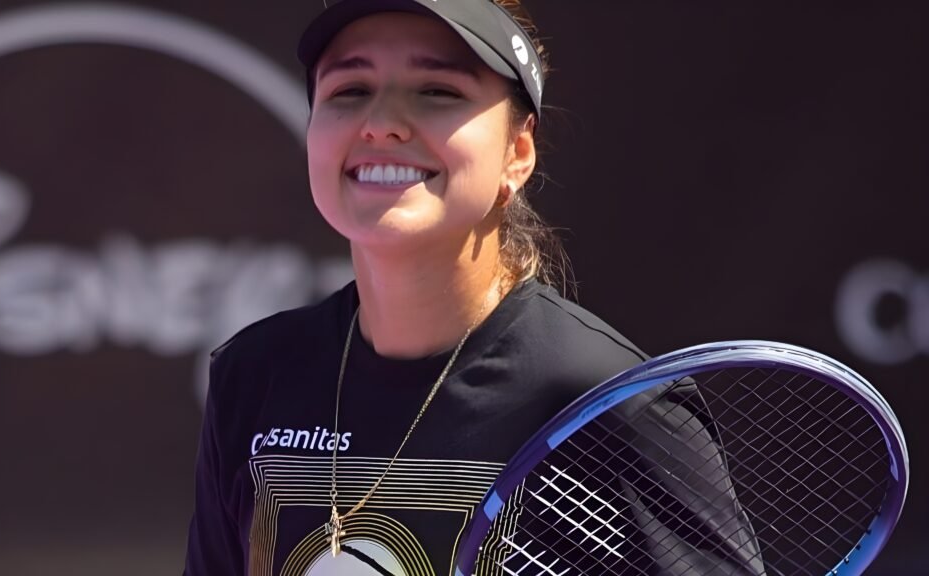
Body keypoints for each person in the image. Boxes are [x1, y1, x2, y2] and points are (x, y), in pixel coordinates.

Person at [184, 2, 763, 575]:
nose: (381, 121)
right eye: (349, 90)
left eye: (437, 91)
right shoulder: (253, 375)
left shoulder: (611, 402)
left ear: (518, 152)